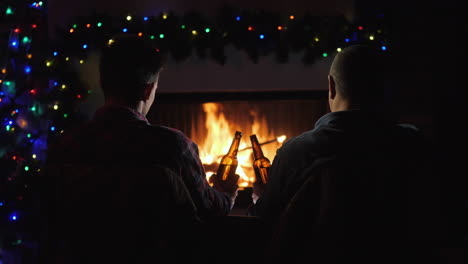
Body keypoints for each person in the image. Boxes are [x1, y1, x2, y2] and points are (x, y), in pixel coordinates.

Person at [39, 35, 239, 263]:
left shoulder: (66, 143)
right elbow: (208, 210)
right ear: (147, 90)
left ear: (105, 84)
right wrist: (225, 193)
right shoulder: (172, 145)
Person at [252, 44, 445, 263]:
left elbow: (266, 224)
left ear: (331, 87)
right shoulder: (415, 145)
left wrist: (259, 198)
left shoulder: (296, 152)